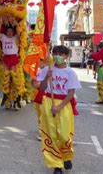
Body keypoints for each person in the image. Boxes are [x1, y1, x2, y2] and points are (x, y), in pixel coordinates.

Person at [36, 46, 81, 174]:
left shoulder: (70, 73)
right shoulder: (47, 69)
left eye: (61, 54)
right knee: (51, 134)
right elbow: (41, 88)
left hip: (64, 104)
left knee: (64, 134)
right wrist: (46, 77)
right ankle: (57, 165)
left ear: (66, 56)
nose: (58, 56)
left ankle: (66, 156)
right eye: (55, 53)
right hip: (48, 102)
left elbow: (71, 92)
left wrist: (59, 107)